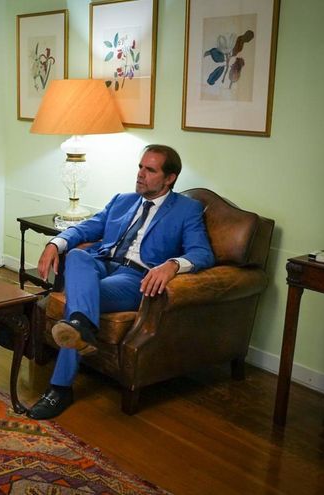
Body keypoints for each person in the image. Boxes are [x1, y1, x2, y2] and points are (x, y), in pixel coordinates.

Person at [28, 145, 215, 420]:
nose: (140, 174)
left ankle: (60, 386)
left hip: (134, 278)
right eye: (140, 167)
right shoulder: (122, 200)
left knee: (78, 306)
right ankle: (83, 326)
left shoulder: (187, 210)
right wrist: (55, 243)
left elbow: (202, 252)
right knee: (78, 256)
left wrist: (173, 265)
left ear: (169, 178)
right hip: (102, 263)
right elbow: (86, 228)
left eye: (150, 170)